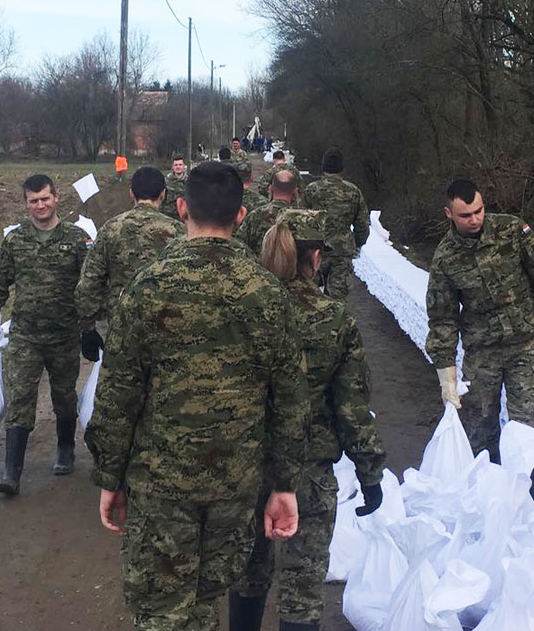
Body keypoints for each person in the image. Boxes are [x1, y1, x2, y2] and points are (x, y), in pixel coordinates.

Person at [86, 161, 309, 631]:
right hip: (236, 484)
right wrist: (284, 484)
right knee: (207, 599)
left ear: (182, 207)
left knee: (163, 612)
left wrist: (110, 475)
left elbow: (117, 396)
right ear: (242, 215)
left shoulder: (147, 289)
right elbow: (290, 401)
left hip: (161, 484)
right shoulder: (269, 295)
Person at [230, 209, 386, 631]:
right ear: (314, 257)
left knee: (246, 575)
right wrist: (370, 474)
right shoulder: (334, 320)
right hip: (308, 475)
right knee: (302, 590)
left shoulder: (241, 312)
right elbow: (352, 407)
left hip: (244, 470)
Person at [425, 179, 534, 477]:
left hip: (525, 346)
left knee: (527, 430)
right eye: (466, 215)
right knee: (478, 426)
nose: (475, 219)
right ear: (449, 214)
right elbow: (443, 318)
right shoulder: (445, 259)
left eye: (479, 211)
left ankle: (529, 505)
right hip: (482, 352)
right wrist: (446, 376)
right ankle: (487, 496)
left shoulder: (512, 231)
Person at [0, 174, 91, 495]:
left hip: (64, 336)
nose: (40, 205)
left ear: (56, 198)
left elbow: (89, 286)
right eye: (33, 200)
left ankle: (66, 448)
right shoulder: (15, 241)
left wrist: (91, 326)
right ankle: (11, 474)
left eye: (45, 198)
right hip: (25, 335)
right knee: (20, 399)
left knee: (64, 397)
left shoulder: (75, 240)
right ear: (26, 203)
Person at [75, 166, 184, 358]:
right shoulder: (178, 231)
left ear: (131, 193)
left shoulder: (111, 229)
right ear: (163, 194)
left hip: (121, 326)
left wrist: (87, 328)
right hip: (167, 327)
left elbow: (89, 282)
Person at [303, 147, 370, 302]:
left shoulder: (311, 190)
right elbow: (362, 225)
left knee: (311, 299)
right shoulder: (353, 192)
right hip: (342, 253)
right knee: (338, 303)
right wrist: (357, 244)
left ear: (324, 167)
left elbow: (301, 219)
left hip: (315, 251)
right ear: (341, 168)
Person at [236, 169, 298, 256]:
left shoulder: (255, 216)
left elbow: (240, 246)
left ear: (270, 188)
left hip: (259, 267)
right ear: (295, 191)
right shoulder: (301, 218)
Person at [161, 153, 188, 220]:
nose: (178, 167)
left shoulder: (190, 182)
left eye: (180, 165)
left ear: (184, 166)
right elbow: (161, 198)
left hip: (184, 216)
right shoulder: (166, 181)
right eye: (176, 165)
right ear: (172, 167)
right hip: (168, 216)